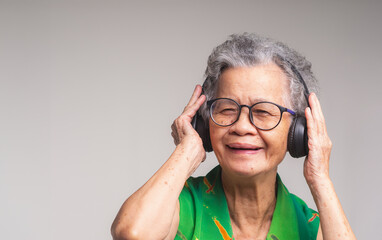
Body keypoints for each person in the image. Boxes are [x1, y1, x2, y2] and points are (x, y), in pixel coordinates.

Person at [111, 33, 356, 240]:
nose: (241, 127)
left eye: (263, 112)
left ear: (299, 131)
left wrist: (320, 178)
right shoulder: (182, 205)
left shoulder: (309, 225)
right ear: (205, 124)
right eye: (227, 109)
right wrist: (187, 151)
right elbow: (132, 233)